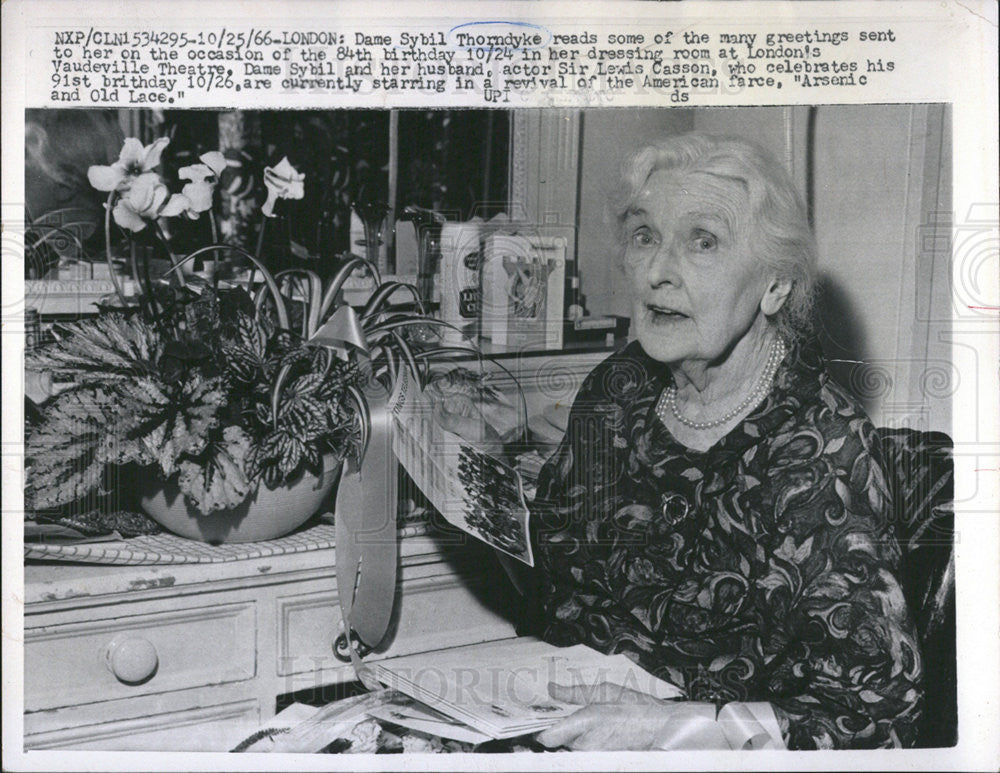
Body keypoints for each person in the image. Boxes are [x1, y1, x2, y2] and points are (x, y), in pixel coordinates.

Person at [526, 132, 923, 751]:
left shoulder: (821, 449)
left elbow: (874, 714)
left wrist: (684, 729)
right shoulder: (618, 387)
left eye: (702, 241)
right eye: (644, 236)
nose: (658, 272)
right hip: (562, 715)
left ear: (774, 287)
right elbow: (552, 568)